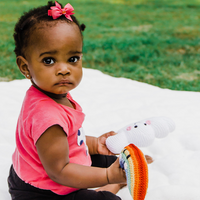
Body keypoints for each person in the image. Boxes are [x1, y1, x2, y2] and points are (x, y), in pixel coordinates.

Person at [7, 1, 126, 200]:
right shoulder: (47, 116)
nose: (64, 69)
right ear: (25, 67)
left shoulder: (52, 92)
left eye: (72, 59)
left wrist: (96, 144)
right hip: (42, 192)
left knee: (108, 160)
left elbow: (70, 140)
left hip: (37, 168)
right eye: (49, 60)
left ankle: (112, 179)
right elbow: (60, 171)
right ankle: (111, 185)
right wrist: (107, 176)